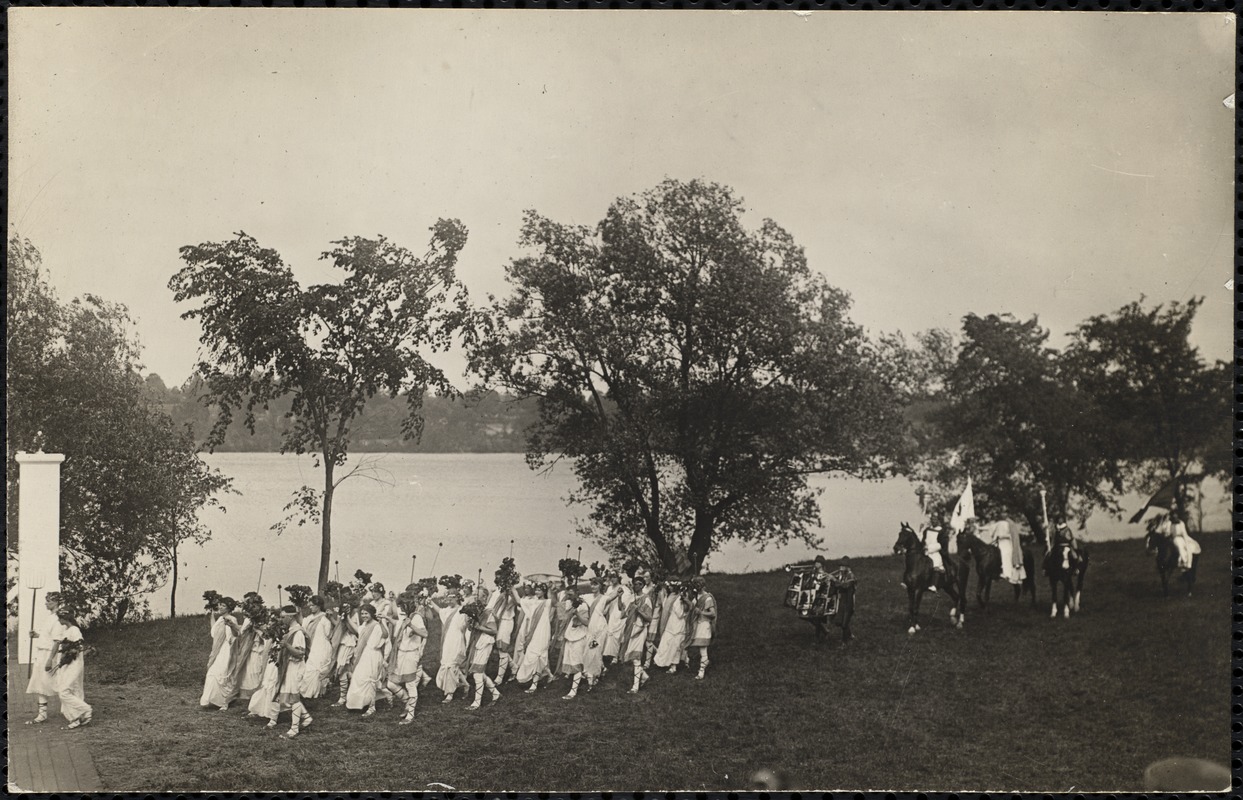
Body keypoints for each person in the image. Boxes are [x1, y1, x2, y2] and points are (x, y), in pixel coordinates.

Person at [386, 592, 429, 724]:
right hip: (400, 653)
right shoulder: (405, 616)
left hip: (411, 654)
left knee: (410, 684)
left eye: (403, 606)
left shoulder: (416, 617)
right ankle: (407, 702)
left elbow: (425, 633)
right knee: (390, 683)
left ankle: (410, 715)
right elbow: (397, 624)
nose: (401, 609)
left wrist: (411, 625)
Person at [47, 607, 93, 728]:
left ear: (64, 618)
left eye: (59, 618)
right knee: (71, 689)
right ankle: (75, 718)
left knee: (64, 691)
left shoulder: (75, 630)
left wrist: (68, 656)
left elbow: (78, 647)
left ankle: (86, 709)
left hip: (74, 663)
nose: (58, 621)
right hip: (66, 664)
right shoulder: (66, 630)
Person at [273, 605, 313, 738]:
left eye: (283, 617)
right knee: (289, 697)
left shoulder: (298, 632)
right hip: (289, 666)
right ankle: (306, 718)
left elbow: (300, 653)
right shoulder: (290, 631)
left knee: (293, 698)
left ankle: (294, 729)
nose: (281, 619)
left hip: (296, 667)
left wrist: (286, 646)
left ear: (291, 617)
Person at [25, 591, 64, 725]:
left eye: (49, 601)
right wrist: (36, 635)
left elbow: (57, 641)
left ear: (57, 602)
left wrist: (49, 659)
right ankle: (42, 714)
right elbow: (46, 635)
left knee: (59, 683)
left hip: (50, 654)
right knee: (40, 683)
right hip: (42, 653)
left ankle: (75, 710)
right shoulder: (49, 617)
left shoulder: (58, 618)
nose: (46, 603)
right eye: (46, 601)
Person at [345, 603, 391, 716]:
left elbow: (385, 635)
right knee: (359, 678)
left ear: (372, 614)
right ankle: (362, 703)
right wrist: (346, 617)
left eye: (366, 613)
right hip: (364, 655)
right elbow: (358, 631)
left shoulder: (376, 625)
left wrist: (381, 623)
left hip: (373, 655)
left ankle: (372, 707)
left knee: (370, 681)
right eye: (362, 614)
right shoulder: (364, 625)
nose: (364, 615)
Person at [511, 581, 554, 693]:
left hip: (543, 630)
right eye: (536, 590)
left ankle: (534, 685)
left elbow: (554, 602)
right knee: (531, 653)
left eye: (540, 590)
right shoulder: (532, 602)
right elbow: (518, 601)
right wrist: (512, 588)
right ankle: (549, 674)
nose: (537, 592)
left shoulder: (548, 602)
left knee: (538, 655)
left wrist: (550, 589)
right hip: (533, 630)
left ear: (544, 591)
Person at [465, 586, 503, 709]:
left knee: (477, 672)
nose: (475, 597)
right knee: (478, 671)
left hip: (485, 643)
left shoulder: (488, 612)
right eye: (475, 594)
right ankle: (495, 693)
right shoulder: (477, 610)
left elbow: (493, 630)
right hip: (477, 642)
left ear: (485, 597)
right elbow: (472, 628)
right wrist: (470, 623)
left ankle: (477, 702)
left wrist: (479, 627)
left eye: (478, 595)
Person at [201, 597, 242, 710]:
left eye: (223, 606)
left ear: (229, 608)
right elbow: (214, 632)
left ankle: (225, 701)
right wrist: (212, 615)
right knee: (212, 673)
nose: (220, 607)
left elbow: (233, 636)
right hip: (219, 650)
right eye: (220, 605)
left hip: (227, 650)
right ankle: (214, 700)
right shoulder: (220, 619)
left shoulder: (231, 619)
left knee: (222, 674)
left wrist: (230, 652)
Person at [434, 590, 471, 704]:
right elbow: (440, 611)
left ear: (457, 598)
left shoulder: (462, 610)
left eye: (452, 599)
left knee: (451, 665)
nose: (449, 601)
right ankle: (465, 685)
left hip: (457, 639)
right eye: (448, 599)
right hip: (447, 640)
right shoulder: (446, 611)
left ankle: (449, 694)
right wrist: (431, 602)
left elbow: (464, 626)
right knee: (447, 664)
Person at [620, 576, 656, 694]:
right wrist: (620, 598)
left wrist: (638, 610)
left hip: (640, 629)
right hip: (630, 629)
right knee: (630, 657)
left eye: (639, 584)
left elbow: (649, 618)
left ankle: (635, 687)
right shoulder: (631, 598)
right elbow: (623, 613)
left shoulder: (646, 599)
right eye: (635, 584)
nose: (636, 586)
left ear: (643, 585)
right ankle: (644, 676)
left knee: (636, 658)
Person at [556, 587, 592, 699]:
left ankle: (573, 692)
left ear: (576, 594)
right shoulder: (568, 603)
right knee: (572, 662)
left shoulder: (583, 605)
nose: (568, 597)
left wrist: (576, 613)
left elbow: (586, 622)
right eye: (567, 594)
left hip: (579, 636)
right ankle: (590, 677)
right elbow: (561, 615)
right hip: (569, 636)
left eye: (571, 595)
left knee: (577, 663)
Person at [299, 595, 335, 699]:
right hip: (311, 646)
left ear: (318, 606)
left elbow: (328, 634)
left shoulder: (324, 617)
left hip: (321, 646)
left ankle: (316, 692)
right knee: (310, 668)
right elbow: (303, 627)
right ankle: (310, 691)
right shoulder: (309, 618)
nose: (310, 607)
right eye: (309, 605)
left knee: (316, 668)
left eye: (312, 605)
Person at [653, 583, 691, 673]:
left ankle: (674, 666)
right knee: (669, 644)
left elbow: (680, 613)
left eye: (670, 586)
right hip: (672, 624)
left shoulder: (678, 599)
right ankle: (666, 661)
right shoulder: (671, 596)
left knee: (675, 646)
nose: (668, 587)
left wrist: (683, 609)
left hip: (677, 625)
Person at [685, 576, 717, 680]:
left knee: (703, 648)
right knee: (699, 647)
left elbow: (712, 613)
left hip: (704, 624)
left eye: (698, 585)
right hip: (697, 624)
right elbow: (693, 608)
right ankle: (704, 662)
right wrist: (686, 601)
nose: (696, 587)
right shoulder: (696, 596)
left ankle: (701, 670)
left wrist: (701, 612)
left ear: (702, 586)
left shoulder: (707, 598)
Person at [331, 598, 361, 706]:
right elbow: (339, 627)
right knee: (346, 670)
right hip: (343, 642)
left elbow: (356, 631)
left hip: (349, 643)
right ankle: (345, 697)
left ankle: (346, 697)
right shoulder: (344, 615)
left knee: (341, 668)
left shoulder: (355, 615)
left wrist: (347, 619)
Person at [921, 519, 946, 591]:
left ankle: (934, 585)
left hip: (935, 551)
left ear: (938, 520)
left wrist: (929, 548)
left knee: (936, 564)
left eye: (935, 519)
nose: (933, 521)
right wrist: (921, 529)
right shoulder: (927, 530)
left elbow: (941, 544)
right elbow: (922, 539)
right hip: (925, 551)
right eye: (932, 519)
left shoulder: (941, 531)